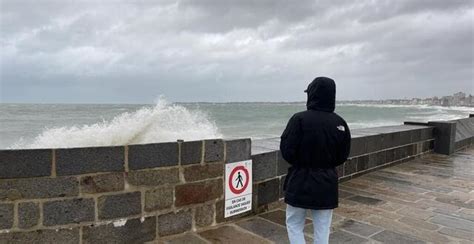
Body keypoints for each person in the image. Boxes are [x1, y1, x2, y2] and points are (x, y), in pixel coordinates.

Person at [280, 77, 351, 244]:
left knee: (294, 224)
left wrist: (302, 162)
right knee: (322, 228)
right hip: (326, 182)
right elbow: (343, 155)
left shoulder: (299, 119)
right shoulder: (339, 122)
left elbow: (287, 150)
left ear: (312, 94)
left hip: (300, 180)